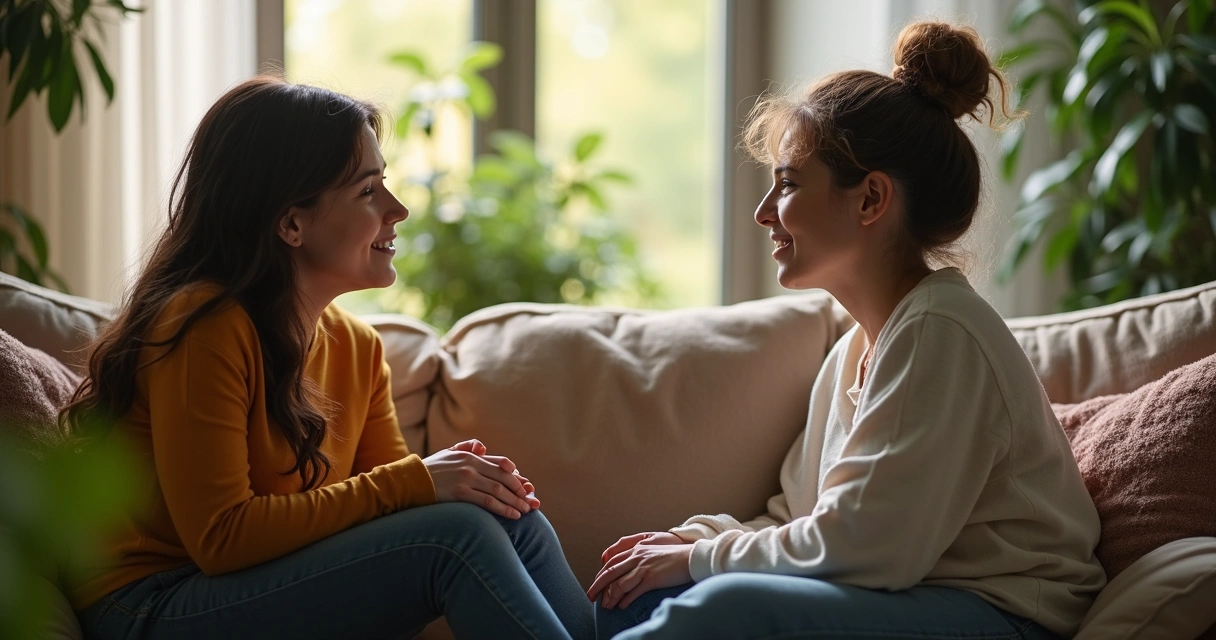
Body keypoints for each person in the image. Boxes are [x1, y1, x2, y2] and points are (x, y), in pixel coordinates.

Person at [588, 21, 1106, 640]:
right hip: (907, 601)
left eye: (787, 184)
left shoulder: (941, 330)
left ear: (869, 200)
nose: (762, 213)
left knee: (727, 610)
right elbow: (800, 519)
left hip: (1003, 617)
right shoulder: (855, 351)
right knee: (634, 602)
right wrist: (688, 544)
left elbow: (869, 547)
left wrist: (700, 559)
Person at [61, 76, 593, 640]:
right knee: (456, 537)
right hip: (152, 603)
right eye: (368, 192)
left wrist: (458, 482)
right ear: (292, 223)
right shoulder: (206, 325)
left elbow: (399, 511)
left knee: (508, 515)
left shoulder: (357, 348)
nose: (399, 209)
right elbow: (221, 537)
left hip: (251, 587)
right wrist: (419, 482)